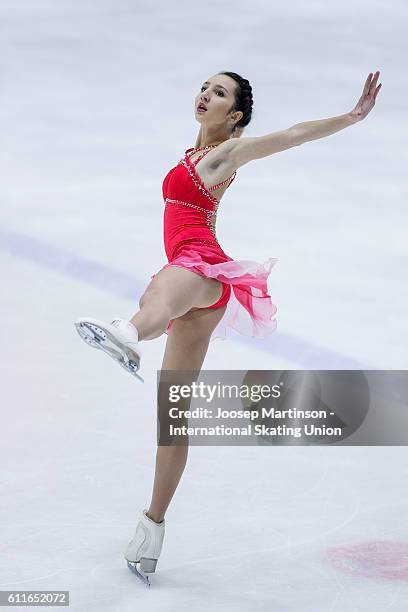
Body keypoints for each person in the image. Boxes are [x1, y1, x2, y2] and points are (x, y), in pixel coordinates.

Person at [74, 70, 382, 579]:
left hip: (200, 268)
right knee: (173, 417)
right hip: (205, 287)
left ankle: (128, 335)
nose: (205, 95)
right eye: (204, 87)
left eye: (219, 94)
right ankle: (151, 533)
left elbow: (292, 134)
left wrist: (349, 118)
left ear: (234, 116)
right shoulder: (197, 155)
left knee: (160, 291)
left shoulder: (225, 154)